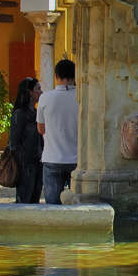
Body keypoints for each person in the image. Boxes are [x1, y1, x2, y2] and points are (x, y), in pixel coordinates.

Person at [36, 59, 80, 204]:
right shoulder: (82, 99)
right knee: (77, 204)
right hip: (76, 160)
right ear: (76, 75)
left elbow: (40, 129)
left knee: (53, 206)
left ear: (56, 76)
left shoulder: (45, 98)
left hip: (52, 158)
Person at [9, 77, 44, 204]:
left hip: (38, 163)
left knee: (35, 202)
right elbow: (14, 142)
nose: (41, 92)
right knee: (24, 202)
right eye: (38, 89)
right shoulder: (19, 114)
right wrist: (24, 162)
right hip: (26, 166)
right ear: (30, 92)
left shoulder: (36, 112)